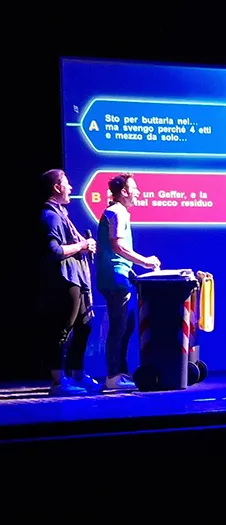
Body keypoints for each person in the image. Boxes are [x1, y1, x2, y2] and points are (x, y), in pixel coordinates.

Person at [38, 169, 102, 396]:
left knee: (85, 325)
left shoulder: (62, 214)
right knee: (62, 330)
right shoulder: (51, 216)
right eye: (66, 183)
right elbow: (54, 250)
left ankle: (77, 374)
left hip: (76, 277)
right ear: (57, 187)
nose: (71, 188)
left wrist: (84, 245)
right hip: (65, 279)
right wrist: (81, 246)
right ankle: (57, 382)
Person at [96, 173, 161, 390]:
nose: (138, 192)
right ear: (123, 192)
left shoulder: (118, 212)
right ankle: (113, 376)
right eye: (134, 188)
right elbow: (118, 247)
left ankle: (121, 373)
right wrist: (145, 261)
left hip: (120, 275)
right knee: (119, 327)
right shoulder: (117, 212)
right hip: (115, 277)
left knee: (126, 325)